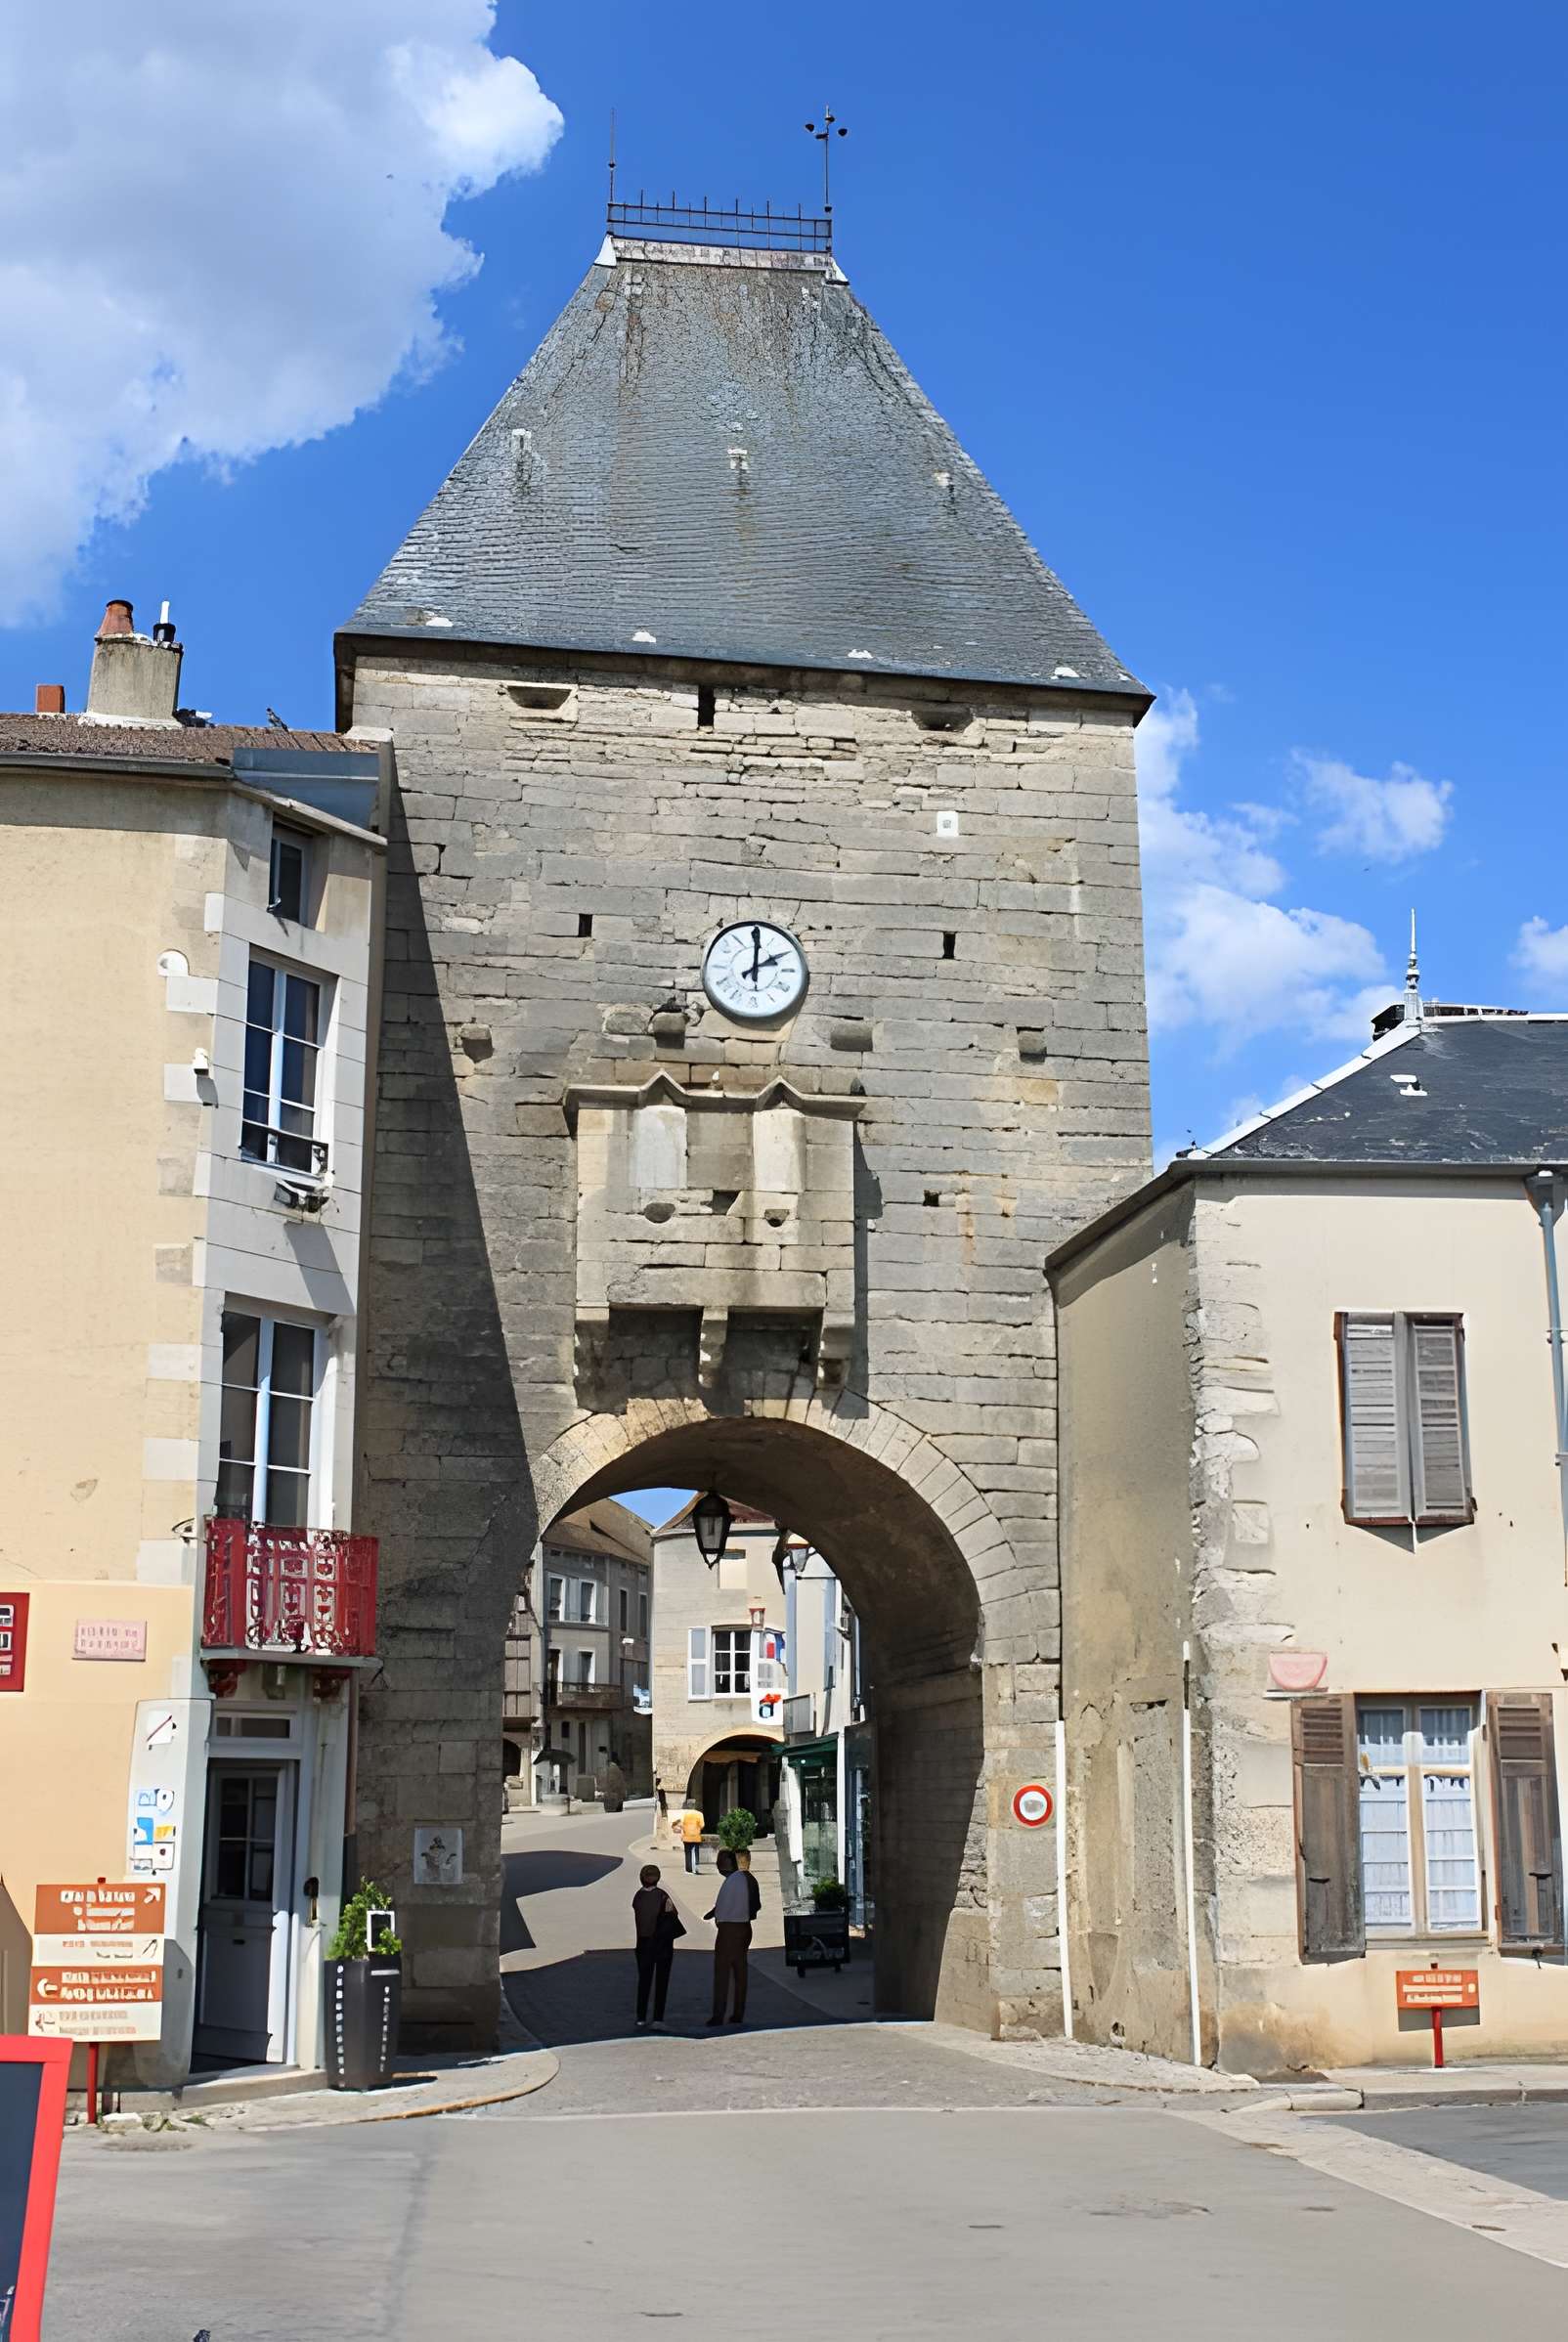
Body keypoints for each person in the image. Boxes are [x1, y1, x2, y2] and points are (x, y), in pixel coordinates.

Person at [632, 1863, 683, 2030]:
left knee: (644, 1981)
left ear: (642, 1879)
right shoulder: (662, 1896)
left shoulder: (637, 1897)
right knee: (662, 1980)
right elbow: (674, 1914)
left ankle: (640, 2017)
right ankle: (658, 2018)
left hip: (643, 1943)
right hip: (662, 1944)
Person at [705, 1848, 752, 2026]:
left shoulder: (734, 1881)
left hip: (730, 1929)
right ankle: (737, 2012)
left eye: (720, 1862)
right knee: (740, 1971)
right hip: (740, 1926)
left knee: (723, 1972)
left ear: (728, 1863)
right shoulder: (739, 1880)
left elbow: (728, 1907)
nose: (717, 1865)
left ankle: (719, 2014)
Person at [680, 1807, 704, 1874]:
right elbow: (702, 1825)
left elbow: (682, 1825)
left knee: (688, 1853)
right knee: (695, 1852)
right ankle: (695, 1868)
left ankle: (688, 1869)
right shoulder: (699, 1814)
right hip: (696, 1836)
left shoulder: (685, 1814)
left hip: (687, 1836)